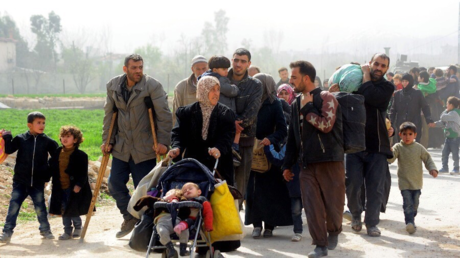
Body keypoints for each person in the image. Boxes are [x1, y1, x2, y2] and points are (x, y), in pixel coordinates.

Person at [102, 54, 172, 238]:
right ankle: (129, 216)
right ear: (125, 69)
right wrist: (106, 141)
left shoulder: (152, 86)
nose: (138, 71)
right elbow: (109, 114)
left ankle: (146, 228)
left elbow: (164, 115)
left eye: (140, 67)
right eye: (134, 68)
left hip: (145, 147)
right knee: (114, 183)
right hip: (122, 147)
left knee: (146, 191)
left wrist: (164, 142)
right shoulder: (113, 86)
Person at [283, 61, 345, 258]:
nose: (290, 81)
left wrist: (308, 107)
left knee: (333, 205)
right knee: (311, 206)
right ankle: (320, 245)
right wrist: (287, 164)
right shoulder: (295, 104)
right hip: (307, 164)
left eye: (294, 77)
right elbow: (293, 136)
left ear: (306, 78)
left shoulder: (326, 98)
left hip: (329, 160)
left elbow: (326, 125)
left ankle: (334, 231)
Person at [342, 53, 395, 238]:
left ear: (387, 69)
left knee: (375, 187)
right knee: (352, 184)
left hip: (377, 145)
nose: (379, 68)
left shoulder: (387, 87)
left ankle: (372, 223)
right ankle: (356, 215)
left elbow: (370, 97)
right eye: (376, 64)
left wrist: (365, 75)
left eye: (383, 66)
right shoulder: (354, 85)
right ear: (370, 63)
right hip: (353, 145)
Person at [244, 73, 290, 240]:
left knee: (270, 191)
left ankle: (269, 226)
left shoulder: (274, 104)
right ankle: (256, 225)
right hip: (252, 152)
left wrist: (270, 140)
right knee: (253, 191)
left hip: (269, 154)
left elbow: (282, 130)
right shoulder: (250, 102)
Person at [0, 112, 58, 243]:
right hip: (20, 181)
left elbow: (55, 160)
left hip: (37, 182)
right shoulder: (21, 139)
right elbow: (8, 149)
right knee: (13, 207)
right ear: (29, 125)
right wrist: (7, 137)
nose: (42, 125)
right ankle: (6, 233)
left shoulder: (48, 142)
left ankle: (45, 230)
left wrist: (47, 175)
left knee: (40, 207)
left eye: (43, 122)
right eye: (38, 122)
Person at [169, 76, 235, 185]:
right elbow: (178, 133)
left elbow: (227, 135)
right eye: (212, 89)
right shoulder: (187, 112)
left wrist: (219, 148)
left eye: (218, 89)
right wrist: (176, 147)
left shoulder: (226, 113)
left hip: (218, 165)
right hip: (192, 163)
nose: (216, 93)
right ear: (202, 90)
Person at [388, 122, 438, 234]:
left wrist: (432, 169)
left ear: (415, 135)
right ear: (400, 135)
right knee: (408, 203)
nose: (407, 137)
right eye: (404, 134)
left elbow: (427, 159)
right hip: (404, 183)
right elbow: (391, 159)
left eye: (410, 134)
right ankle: (410, 223)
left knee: (415, 203)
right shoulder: (398, 147)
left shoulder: (419, 148)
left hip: (417, 182)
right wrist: (389, 152)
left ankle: (412, 216)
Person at [228, 48, 263, 207]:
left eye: (243, 61)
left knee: (240, 184)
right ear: (232, 60)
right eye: (236, 60)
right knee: (221, 183)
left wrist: (234, 123)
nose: (238, 64)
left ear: (249, 64)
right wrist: (229, 123)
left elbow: (251, 114)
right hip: (222, 141)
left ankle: (236, 221)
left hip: (245, 141)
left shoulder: (255, 85)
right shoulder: (221, 80)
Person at [48, 125, 92, 240]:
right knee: (63, 209)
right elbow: (51, 167)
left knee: (72, 208)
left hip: (72, 187)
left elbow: (83, 173)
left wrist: (78, 185)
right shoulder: (57, 152)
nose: (64, 139)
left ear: (75, 140)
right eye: (63, 136)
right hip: (59, 186)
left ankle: (78, 227)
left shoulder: (81, 156)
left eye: (68, 136)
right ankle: (67, 231)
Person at [198, 56, 241, 165]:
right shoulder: (219, 80)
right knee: (235, 131)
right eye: (224, 69)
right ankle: (234, 150)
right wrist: (236, 87)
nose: (227, 71)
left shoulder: (203, 78)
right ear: (215, 70)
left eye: (227, 69)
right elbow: (231, 91)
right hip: (224, 111)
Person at [265, 142, 303, 242]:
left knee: (316, 209)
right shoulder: (292, 141)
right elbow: (280, 158)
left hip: (312, 181)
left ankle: (320, 233)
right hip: (295, 182)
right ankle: (298, 231)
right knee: (296, 210)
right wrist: (269, 146)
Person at [390, 73, 433, 143]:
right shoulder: (398, 94)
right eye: (403, 81)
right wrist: (391, 122)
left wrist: (428, 119)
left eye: (406, 81)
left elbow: (425, 107)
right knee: (401, 144)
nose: (404, 83)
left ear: (410, 82)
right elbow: (393, 110)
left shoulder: (417, 93)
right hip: (401, 123)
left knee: (414, 144)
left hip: (414, 123)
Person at [172, 55, 208, 123]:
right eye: (198, 69)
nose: (201, 72)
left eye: (204, 69)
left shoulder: (214, 86)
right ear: (192, 69)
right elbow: (176, 114)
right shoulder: (181, 87)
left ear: (208, 68)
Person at [429, 96, 460, 175]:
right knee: (444, 153)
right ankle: (444, 167)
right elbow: (443, 122)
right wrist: (435, 124)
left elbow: (443, 117)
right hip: (448, 137)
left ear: (451, 105)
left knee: (455, 154)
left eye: (447, 104)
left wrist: (445, 110)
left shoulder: (454, 113)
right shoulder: (450, 113)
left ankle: (456, 168)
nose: (446, 105)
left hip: (454, 138)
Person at [154, 189, 189, 258]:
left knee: (184, 230)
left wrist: (179, 203)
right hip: (162, 221)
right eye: (167, 193)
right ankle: (170, 248)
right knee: (162, 232)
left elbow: (186, 212)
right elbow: (155, 206)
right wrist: (164, 199)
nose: (168, 194)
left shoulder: (181, 201)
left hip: (177, 222)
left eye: (170, 193)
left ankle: (183, 248)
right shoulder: (161, 202)